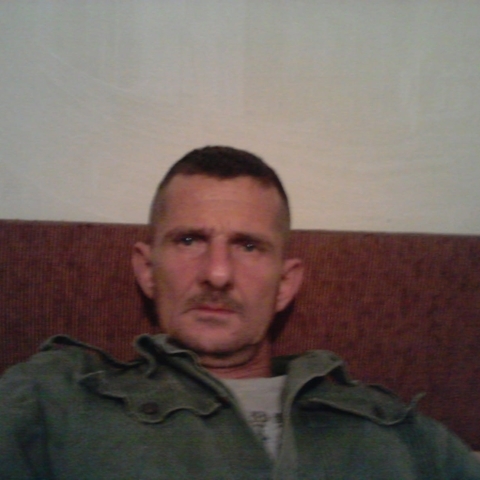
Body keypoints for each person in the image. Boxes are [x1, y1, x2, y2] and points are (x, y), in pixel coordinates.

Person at [0, 146, 479, 479]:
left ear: (285, 284)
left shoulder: (395, 429)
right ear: (146, 269)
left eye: (248, 246)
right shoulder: (55, 398)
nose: (218, 273)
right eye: (190, 240)